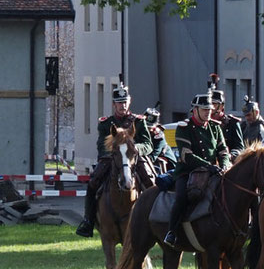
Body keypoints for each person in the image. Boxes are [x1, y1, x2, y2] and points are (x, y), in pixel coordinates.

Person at [75, 83, 153, 238]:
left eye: (125, 102)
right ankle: (88, 220)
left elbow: (148, 144)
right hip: (112, 159)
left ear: (129, 102)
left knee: (151, 184)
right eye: (119, 102)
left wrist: (135, 149)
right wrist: (113, 154)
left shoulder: (138, 121)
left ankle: (155, 221)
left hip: (134, 158)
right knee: (93, 183)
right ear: (114, 104)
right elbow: (101, 144)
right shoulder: (106, 123)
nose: (122, 105)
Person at [163, 92, 231, 248]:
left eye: (209, 109)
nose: (208, 112)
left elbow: (223, 151)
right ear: (195, 110)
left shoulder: (215, 127)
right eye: (204, 109)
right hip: (187, 172)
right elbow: (187, 156)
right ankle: (172, 232)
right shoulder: (184, 128)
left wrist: (225, 166)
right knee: (181, 197)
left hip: (213, 171)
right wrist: (209, 166)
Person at [208, 76, 245, 160]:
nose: (211, 107)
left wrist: (230, 155)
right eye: (209, 104)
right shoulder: (203, 122)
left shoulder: (232, 123)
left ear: (221, 106)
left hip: (228, 162)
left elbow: (239, 147)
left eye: (214, 104)